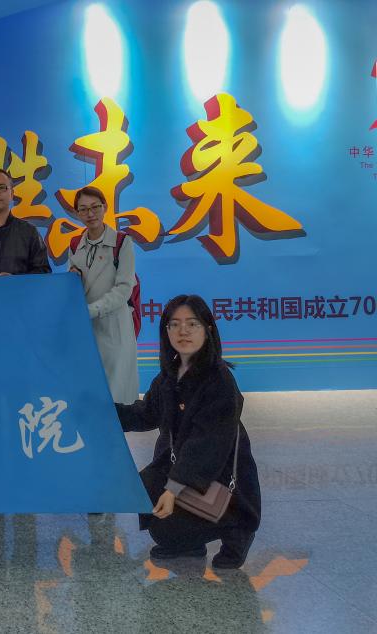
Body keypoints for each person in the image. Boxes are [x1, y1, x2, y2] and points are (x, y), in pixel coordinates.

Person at [115, 295, 261, 569]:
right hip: (183, 468)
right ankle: (192, 540)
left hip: (218, 477)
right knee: (154, 510)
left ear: (208, 329)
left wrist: (173, 489)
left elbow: (205, 447)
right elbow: (147, 413)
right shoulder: (169, 376)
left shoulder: (220, 381)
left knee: (169, 510)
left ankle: (237, 530)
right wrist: (106, 413)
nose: (183, 331)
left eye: (192, 324)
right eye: (174, 324)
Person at [68, 186, 139, 404]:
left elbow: (124, 288)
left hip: (114, 326)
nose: (90, 214)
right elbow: (72, 288)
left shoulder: (122, 242)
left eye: (95, 207)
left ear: (105, 207)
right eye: (83, 209)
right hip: (86, 329)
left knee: (115, 395)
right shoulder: (75, 245)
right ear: (77, 213)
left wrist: (92, 310)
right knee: (88, 392)